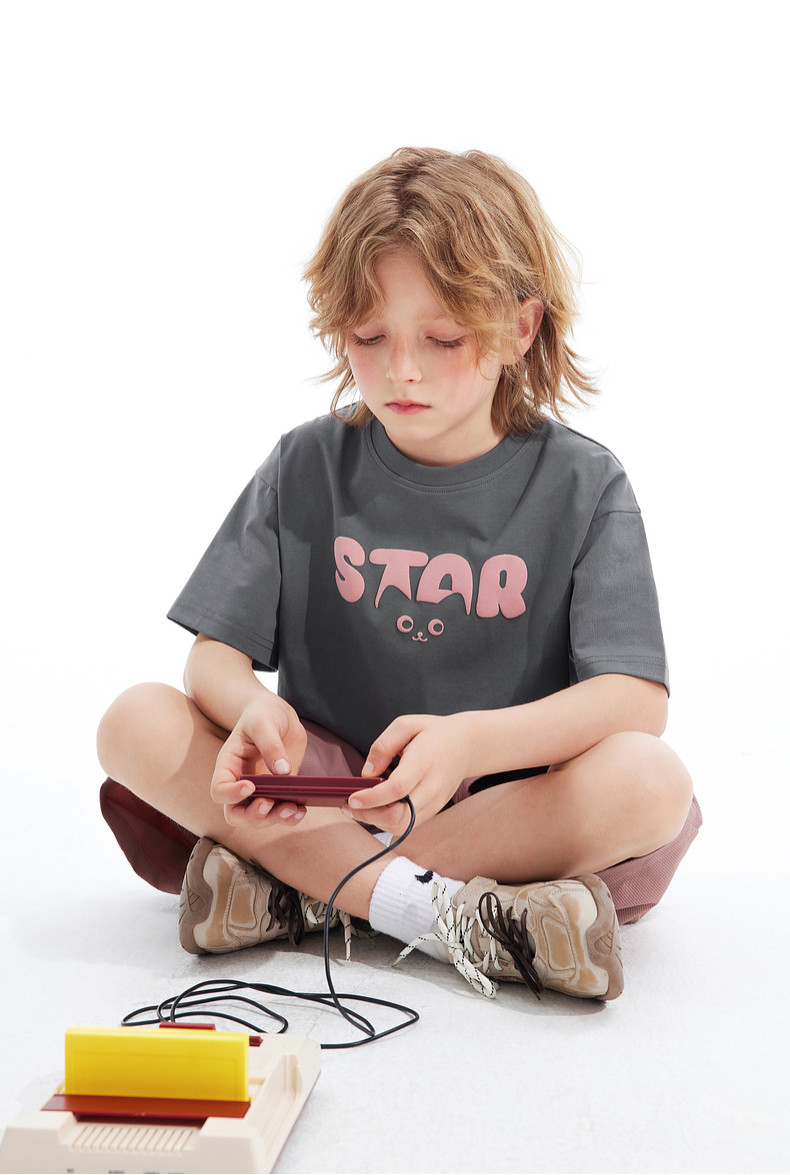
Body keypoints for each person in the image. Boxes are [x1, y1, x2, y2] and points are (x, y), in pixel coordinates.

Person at [97, 147, 700, 1003]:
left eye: (442, 339)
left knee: (649, 780)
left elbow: (635, 700)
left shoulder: (584, 484)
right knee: (136, 722)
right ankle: (447, 912)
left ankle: (296, 891)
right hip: (328, 790)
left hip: (499, 806)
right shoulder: (305, 463)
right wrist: (253, 710)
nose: (400, 370)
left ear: (520, 328)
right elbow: (213, 658)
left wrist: (472, 743)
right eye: (369, 336)